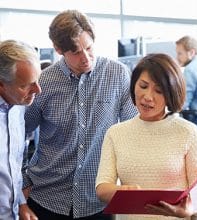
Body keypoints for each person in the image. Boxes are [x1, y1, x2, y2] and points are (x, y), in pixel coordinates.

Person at [22, 9, 137, 220]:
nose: (85, 58)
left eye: (89, 48)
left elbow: (133, 131)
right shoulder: (44, 82)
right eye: (75, 52)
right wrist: (23, 181)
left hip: (96, 200)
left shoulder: (117, 74)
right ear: (59, 49)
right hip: (47, 198)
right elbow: (16, 133)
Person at [96, 53, 197, 220]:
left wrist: (187, 211)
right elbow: (102, 189)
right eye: (143, 86)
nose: (148, 97)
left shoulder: (188, 133)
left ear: (171, 94)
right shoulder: (116, 133)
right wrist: (122, 191)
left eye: (159, 90)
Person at [0, 40, 41, 220]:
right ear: (1, 84)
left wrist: (21, 205)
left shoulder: (18, 106)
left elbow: (13, 165)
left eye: (36, 81)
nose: (37, 90)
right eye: (25, 85)